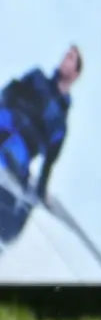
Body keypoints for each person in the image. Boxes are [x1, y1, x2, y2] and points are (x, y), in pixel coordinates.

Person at [0, 47, 82, 245]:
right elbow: (8, 92)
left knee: (11, 223)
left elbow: (48, 165)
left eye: (70, 58)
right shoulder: (37, 78)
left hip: (17, 155)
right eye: (65, 55)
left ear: (76, 73)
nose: (64, 59)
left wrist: (40, 194)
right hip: (5, 124)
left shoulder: (60, 125)